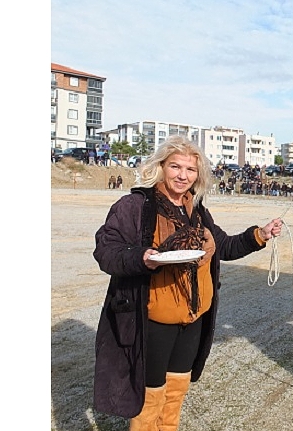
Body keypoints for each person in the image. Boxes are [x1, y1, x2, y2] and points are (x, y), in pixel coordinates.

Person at [92, 135, 282, 430]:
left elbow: (225, 246)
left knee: (176, 394)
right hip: (153, 320)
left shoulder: (197, 210)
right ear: (161, 167)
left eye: (190, 169)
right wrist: (143, 257)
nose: (182, 175)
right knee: (150, 398)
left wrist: (260, 234)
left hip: (193, 319)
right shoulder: (135, 206)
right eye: (175, 167)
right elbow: (106, 251)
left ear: (198, 174)